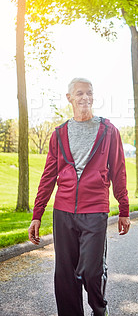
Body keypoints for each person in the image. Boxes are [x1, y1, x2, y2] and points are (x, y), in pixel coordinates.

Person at [28, 77, 130, 316]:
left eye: (90, 93)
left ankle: (98, 309)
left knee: (92, 271)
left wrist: (124, 209)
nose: (86, 98)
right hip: (63, 211)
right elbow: (48, 176)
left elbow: (118, 170)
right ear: (69, 98)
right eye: (80, 93)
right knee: (65, 273)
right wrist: (37, 215)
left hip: (95, 210)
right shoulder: (59, 134)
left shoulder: (108, 131)